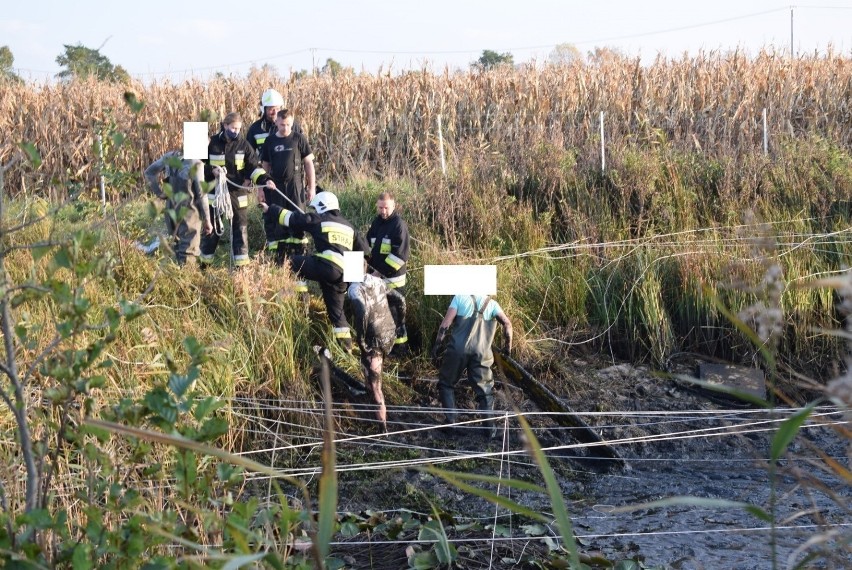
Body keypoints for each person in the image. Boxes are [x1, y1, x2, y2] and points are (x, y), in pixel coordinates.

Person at [260, 190, 367, 350]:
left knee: (291, 262)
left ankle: (301, 298)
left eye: (316, 209)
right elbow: (364, 252)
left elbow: (291, 219)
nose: (314, 211)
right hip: (342, 276)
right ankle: (347, 348)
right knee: (337, 313)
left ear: (322, 207)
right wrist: (352, 281)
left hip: (327, 267)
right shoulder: (349, 226)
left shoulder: (320, 219)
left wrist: (270, 209)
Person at [431, 295, 513, 437]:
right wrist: (508, 347)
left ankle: (451, 423)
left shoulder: (459, 298)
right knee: (485, 390)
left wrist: (437, 345)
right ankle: (489, 429)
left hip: (457, 350)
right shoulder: (492, 304)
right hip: (482, 353)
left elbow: (446, 324)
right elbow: (507, 324)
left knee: (446, 383)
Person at [199, 112, 270, 268]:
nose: (236, 131)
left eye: (238, 128)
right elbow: (196, 166)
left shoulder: (244, 145)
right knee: (211, 230)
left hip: (238, 194)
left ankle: (241, 267)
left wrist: (265, 180)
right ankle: (204, 265)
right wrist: (212, 170)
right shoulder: (212, 143)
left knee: (240, 230)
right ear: (225, 125)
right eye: (233, 127)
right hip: (215, 194)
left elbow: (253, 168)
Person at [259, 109, 316, 277]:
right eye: (282, 124)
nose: (285, 128)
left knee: (298, 220)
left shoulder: (299, 139)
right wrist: (261, 189)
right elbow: (264, 167)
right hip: (274, 187)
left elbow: (309, 164)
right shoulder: (269, 141)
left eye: (288, 124)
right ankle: (280, 263)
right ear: (276, 122)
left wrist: (311, 187)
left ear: (293, 123)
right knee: (277, 222)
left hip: (295, 187)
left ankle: (299, 259)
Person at [347, 273, 407, 431]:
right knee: (370, 373)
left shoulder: (354, 289)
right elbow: (400, 299)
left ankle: (383, 429)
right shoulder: (378, 281)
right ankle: (372, 408)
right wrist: (400, 322)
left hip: (375, 342)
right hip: (389, 334)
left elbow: (360, 312)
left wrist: (360, 340)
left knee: (376, 387)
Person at [144, 151, 213, 266]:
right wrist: (207, 220)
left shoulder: (170, 157)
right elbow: (201, 195)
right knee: (188, 255)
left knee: (176, 251)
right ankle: (186, 281)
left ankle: (175, 280)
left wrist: (159, 193)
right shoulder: (196, 163)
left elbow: (149, 173)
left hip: (171, 214)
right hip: (189, 218)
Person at [365, 192, 410, 354]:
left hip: (393, 282)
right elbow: (368, 246)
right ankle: (387, 347)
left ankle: (401, 349)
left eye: (386, 208)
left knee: (396, 316)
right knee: (381, 316)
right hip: (377, 280)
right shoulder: (376, 223)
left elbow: (400, 256)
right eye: (380, 207)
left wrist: (379, 272)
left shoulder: (398, 225)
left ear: (393, 206)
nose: (383, 211)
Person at [246, 88, 284, 154]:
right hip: (263, 164)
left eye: (277, 109)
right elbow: (249, 154)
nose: (275, 112)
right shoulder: (255, 129)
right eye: (271, 109)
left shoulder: (291, 125)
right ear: (264, 109)